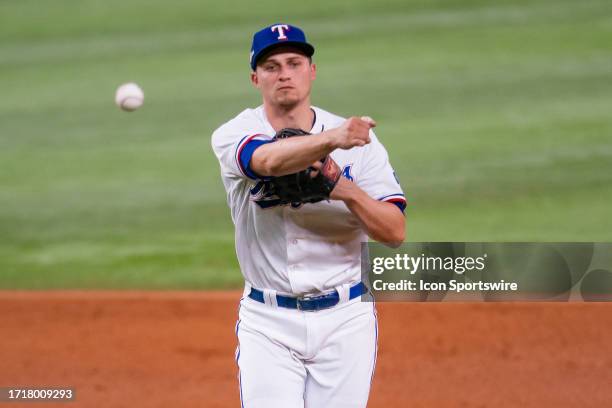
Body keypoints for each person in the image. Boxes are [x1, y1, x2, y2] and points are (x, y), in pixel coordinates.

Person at [211, 23, 406, 408]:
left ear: (311, 71)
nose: (284, 73)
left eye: (294, 63)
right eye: (271, 66)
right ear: (255, 78)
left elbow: (394, 230)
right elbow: (263, 160)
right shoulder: (236, 132)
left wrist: (343, 188)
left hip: (346, 321)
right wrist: (332, 140)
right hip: (268, 323)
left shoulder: (361, 143)